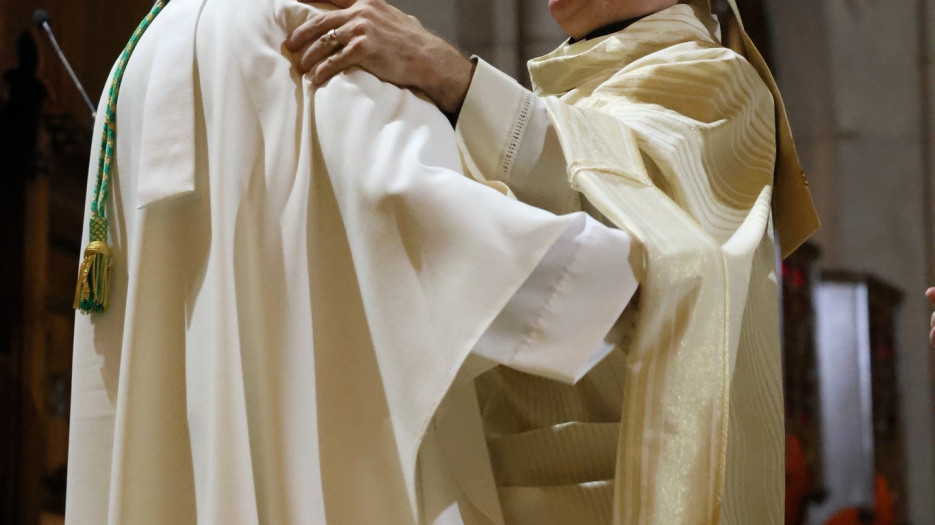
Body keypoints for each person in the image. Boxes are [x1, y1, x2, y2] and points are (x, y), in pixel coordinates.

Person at [66, 0, 641, 523]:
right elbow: (404, 200)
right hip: (317, 445)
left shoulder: (141, 53)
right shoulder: (307, 35)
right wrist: (613, 280)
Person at [285, 0, 820, 523]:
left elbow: (622, 213)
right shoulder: (558, 91)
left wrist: (449, 74)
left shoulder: (715, 79)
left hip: (624, 478)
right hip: (501, 474)